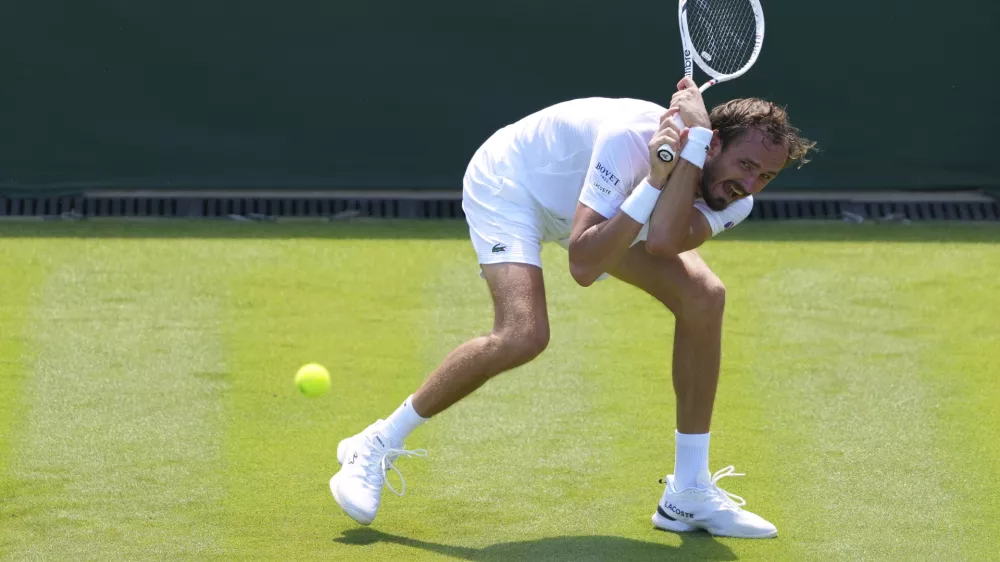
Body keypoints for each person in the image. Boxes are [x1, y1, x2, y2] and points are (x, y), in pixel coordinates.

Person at [329, 77, 816, 538]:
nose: (750, 185)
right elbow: (584, 264)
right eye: (746, 166)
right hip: (516, 182)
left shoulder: (734, 198)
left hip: (612, 206)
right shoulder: (630, 136)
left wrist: (680, 158)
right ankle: (375, 443)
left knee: (704, 297)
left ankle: (688, 492)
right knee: (523, 335)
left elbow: (665, 240)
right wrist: (652, 179)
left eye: (766, 176)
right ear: (714, 145)